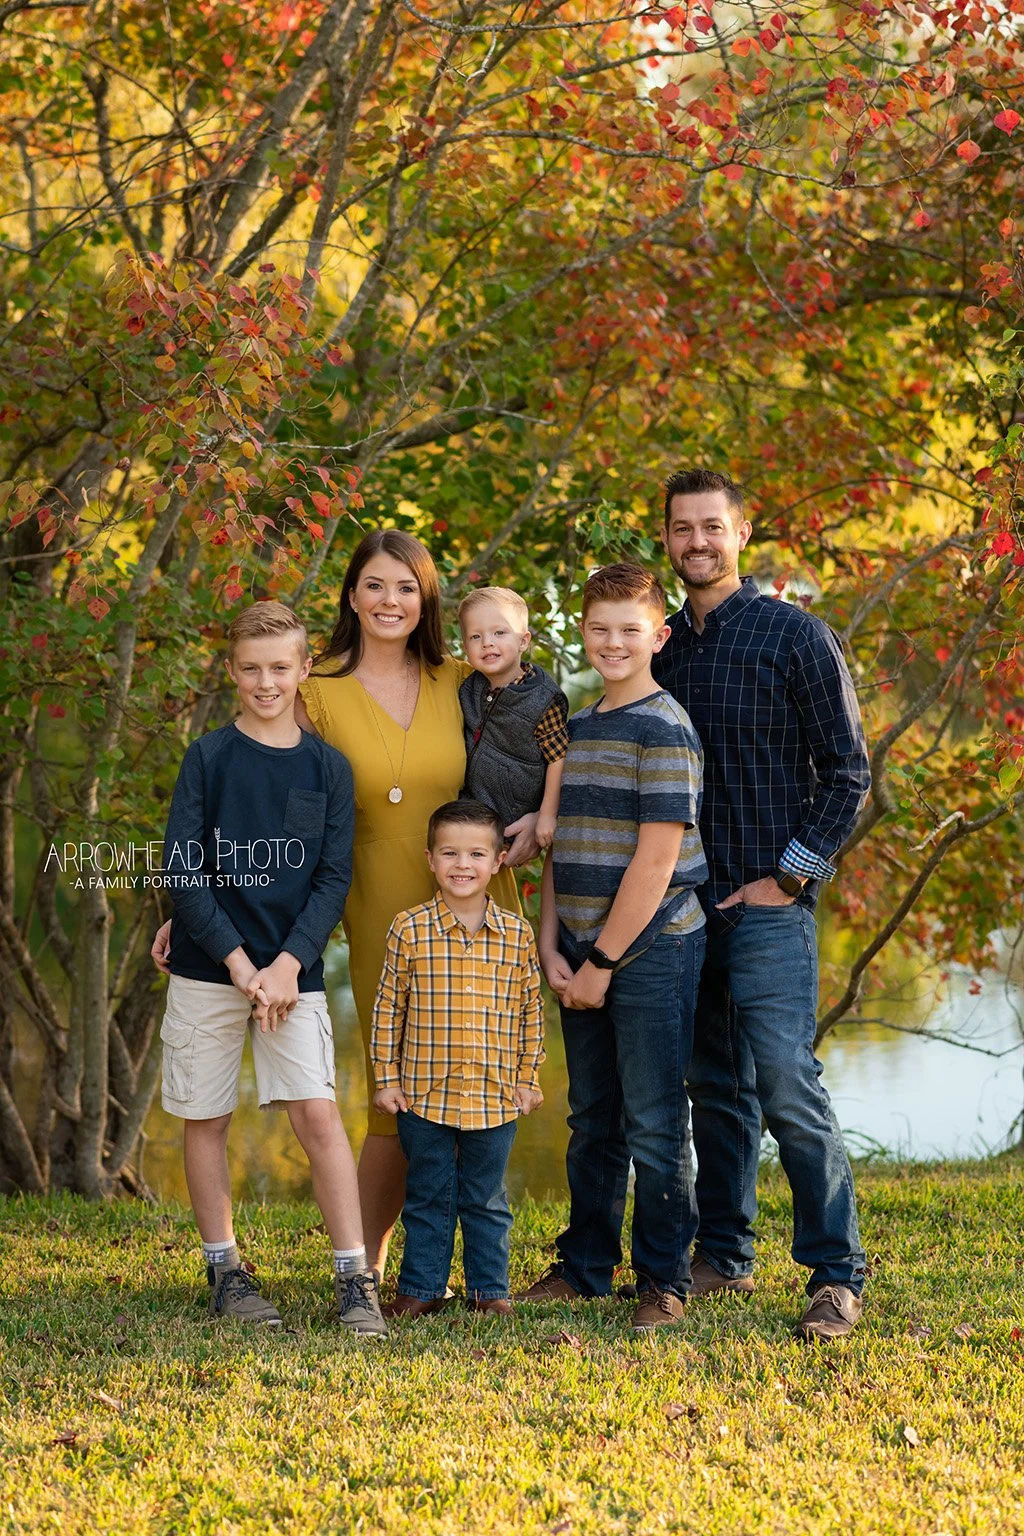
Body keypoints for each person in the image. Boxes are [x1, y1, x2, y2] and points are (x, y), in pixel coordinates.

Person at [651, 467, 871, 1341]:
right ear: (666, 540)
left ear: (742, 534)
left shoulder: (796, 637)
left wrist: (790, 877)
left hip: (770, 904)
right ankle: (725, 1254)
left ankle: (835, 1273)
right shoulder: (659, 649)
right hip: (682, 910)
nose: (697, 542)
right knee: (716, 1086)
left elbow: (848, 773)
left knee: (785, 1078)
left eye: (712, 527)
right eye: (681, 529)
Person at [156, 601, 386, 1337]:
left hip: (294, 973)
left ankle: (356, 1279)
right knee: (207, 1115)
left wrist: (286, 965)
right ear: (231, 671)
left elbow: (332, 878)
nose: (265, 682)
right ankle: (225, 1270)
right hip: (207, 966)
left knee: (319, 1115)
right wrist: (237, 963)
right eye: (251, 669)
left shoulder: (328, 767)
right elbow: (184, 870)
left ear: (303, 668)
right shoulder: (209, 758)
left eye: (280, 668)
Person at [518, 562, 708, 1332]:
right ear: (583, 634)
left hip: (653, 949)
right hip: (582, 950)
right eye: (599, 629)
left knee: (657, 1118)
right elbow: (560, 843)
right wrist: (552, 943)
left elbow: (656, 861)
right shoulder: (581, 726)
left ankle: (664, 1280)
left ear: (659, 636)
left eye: (630, 630)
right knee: (593, 1114)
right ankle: (586, 1266)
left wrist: (601, 964)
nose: (613, 642)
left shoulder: (664, 728)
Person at [370, 799, 544, 1317]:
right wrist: (386, 1079)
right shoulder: (410, 929)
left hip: (494, 1099)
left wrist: (527, 1078)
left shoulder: (517, 935)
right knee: (427, 1196)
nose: (461, 865)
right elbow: (387, 1009)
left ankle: (489, 1292)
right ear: (430, 859)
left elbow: (530, 1013)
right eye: (449, 853)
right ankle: (421, 1289)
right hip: (424, 1096)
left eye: (475, 854)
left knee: (486, 1199)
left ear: (496, 862)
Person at [458, 586, 569, 849]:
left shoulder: (542, 699)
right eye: (475, 636)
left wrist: (547, 814)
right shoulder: (468, 688)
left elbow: (558, 757)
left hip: (513, 817)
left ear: (523, 640)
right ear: (465, 647)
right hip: (470, 814)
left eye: (499, 632)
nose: (487, 642)